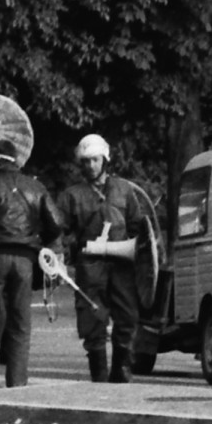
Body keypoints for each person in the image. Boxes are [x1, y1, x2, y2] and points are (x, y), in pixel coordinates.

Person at [0, 138, 60, 390]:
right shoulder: (35, 187)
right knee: (20, 323)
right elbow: (56, 224)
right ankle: (17, 385)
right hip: (25, 259)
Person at [54, 134, 150, 383]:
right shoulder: (71, 195)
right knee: (92, 319)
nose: (90, 166)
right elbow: (58, 231)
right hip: (90, 266)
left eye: (95, 160)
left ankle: (121, 370)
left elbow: (137, 225)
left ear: (105, 160)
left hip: (122, 263)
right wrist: (63, 255)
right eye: (85, 161)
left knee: (127, 316)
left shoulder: (124, 189)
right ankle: (98, 374)